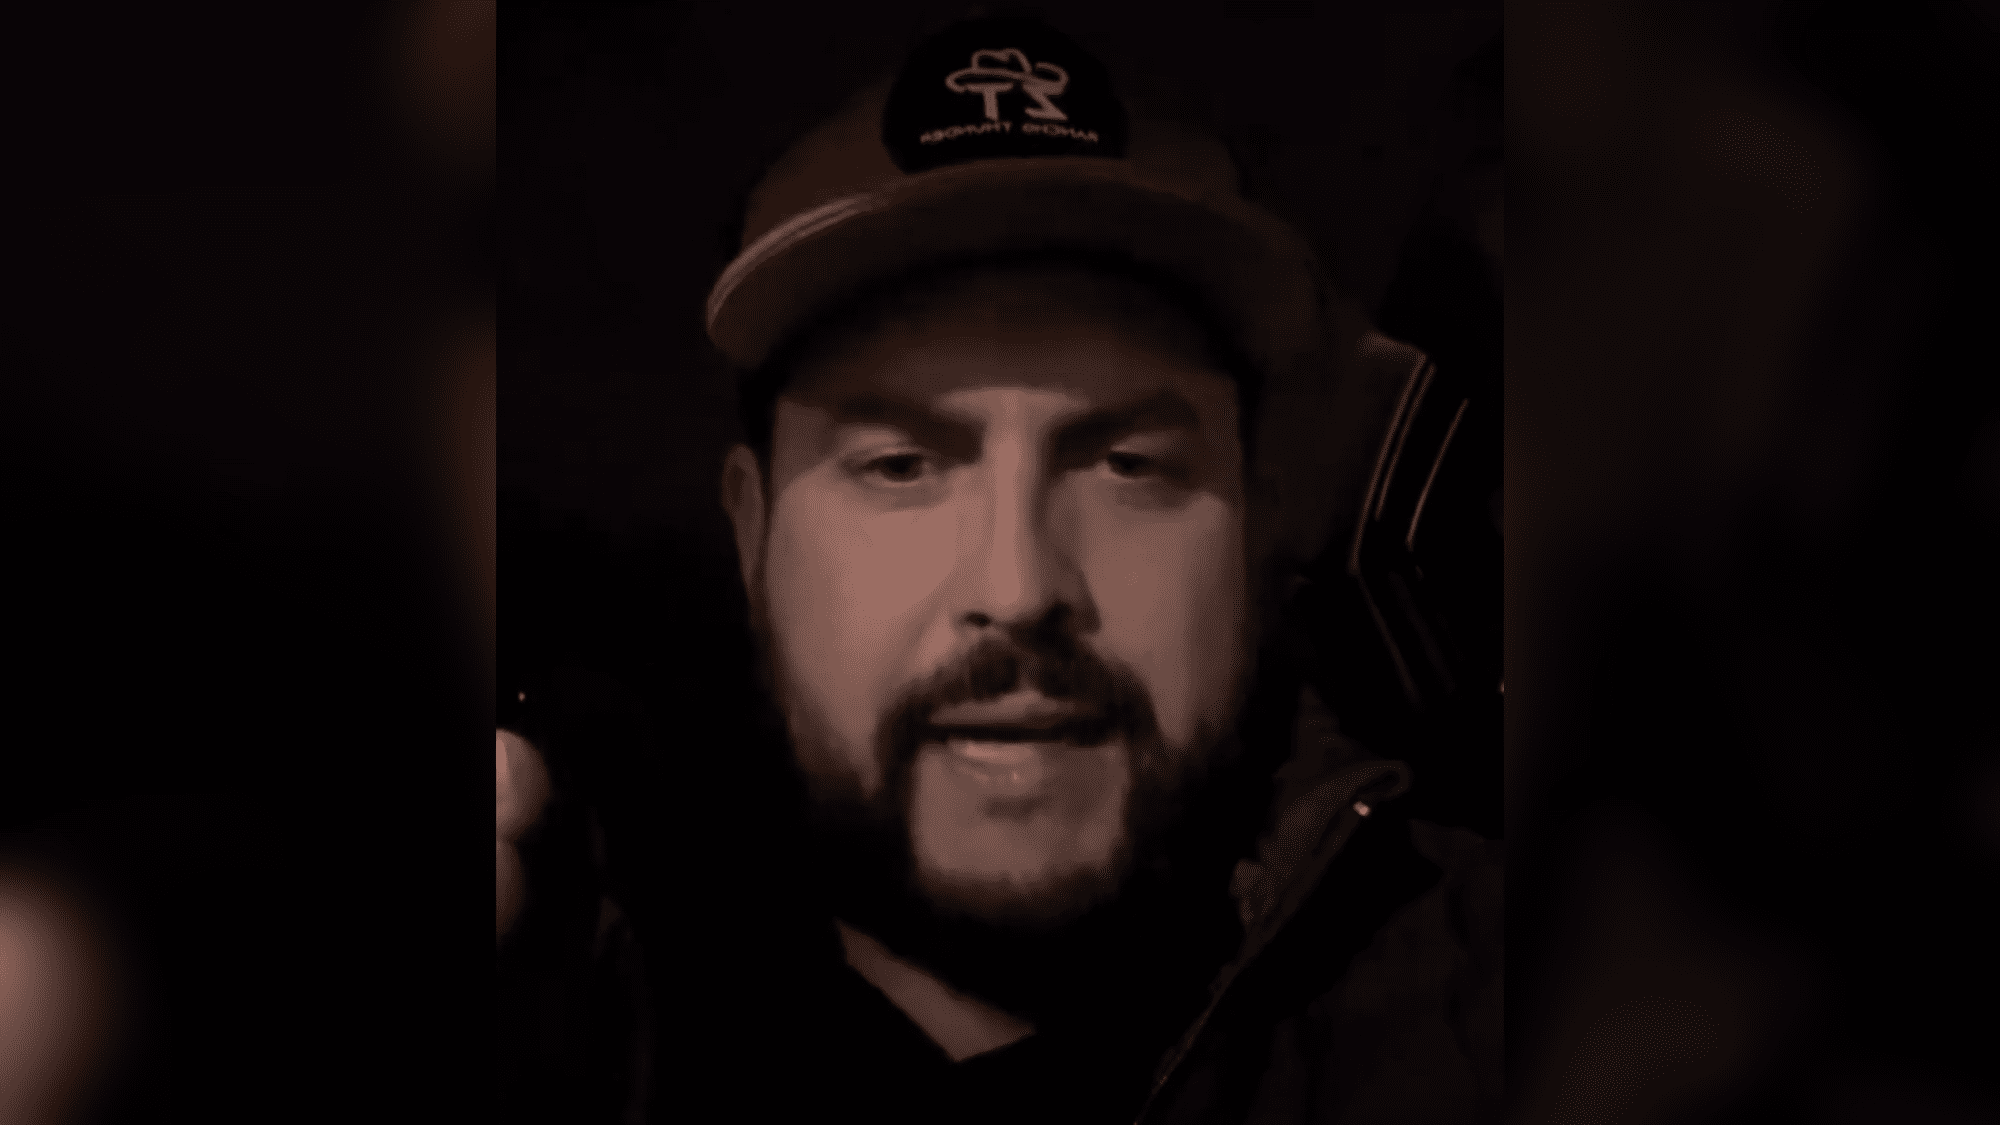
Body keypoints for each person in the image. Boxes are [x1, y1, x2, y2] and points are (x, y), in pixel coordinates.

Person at [499, 14, 1499, 1124]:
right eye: (899, 465)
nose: (1019, 589)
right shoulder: (570, 1024)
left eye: (1129, 465)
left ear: (1255, 527)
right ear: (753, 536)